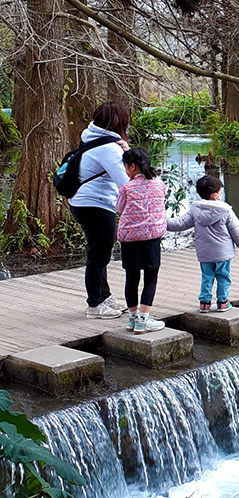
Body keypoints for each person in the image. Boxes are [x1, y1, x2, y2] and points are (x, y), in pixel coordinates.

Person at [69, 101, 131, 319]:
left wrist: (126, 151)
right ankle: (95, 305)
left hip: (83, 202)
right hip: (95, 205)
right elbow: (127, 182)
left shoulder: (93, 139)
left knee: (99, 253)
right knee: (98, 256)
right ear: (119, 123)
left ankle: (104, 296)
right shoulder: (108, 148)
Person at [166, 175, 239, 311]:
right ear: (215, 195)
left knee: (207, 276)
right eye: (221, 192)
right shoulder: (225, 210)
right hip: (223, 253)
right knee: (223, 277)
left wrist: (161, 221)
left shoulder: (195, 209)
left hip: (205, 253)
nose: (221, 195)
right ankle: (222, 302)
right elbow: (235, 229)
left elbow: (181, 223)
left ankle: (204, 302)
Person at [115, 148, 167, 333]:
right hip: (152, 237)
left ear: (132, 166)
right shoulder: (159, 184)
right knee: (151, 278)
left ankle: (133, 318)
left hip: (130, 239)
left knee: (132, 278)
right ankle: (143, 320)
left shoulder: (126, 188)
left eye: (125, 167)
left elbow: (119, 209)